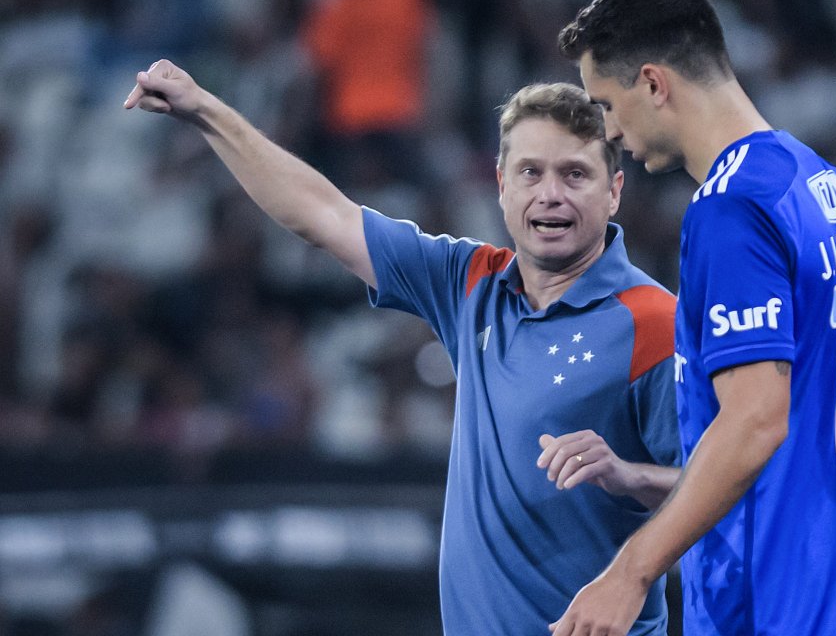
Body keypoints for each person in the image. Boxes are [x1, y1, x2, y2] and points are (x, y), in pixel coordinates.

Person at [123, 64, 682, 635]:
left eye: (575, 174)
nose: (550, 195)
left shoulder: (654, 322)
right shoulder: (470, 284)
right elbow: (322, 214)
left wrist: (630, 476)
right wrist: (205, 110)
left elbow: (738, 486)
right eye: (531, 172)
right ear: (501, 184)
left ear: (614, 191)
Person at [553, 0, 836, 635]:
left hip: (760, 612)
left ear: (653, 84)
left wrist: (632, 571)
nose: (608, 132)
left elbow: (755, 420)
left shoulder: (730, 208)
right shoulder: (827, 185)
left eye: (605, 104)